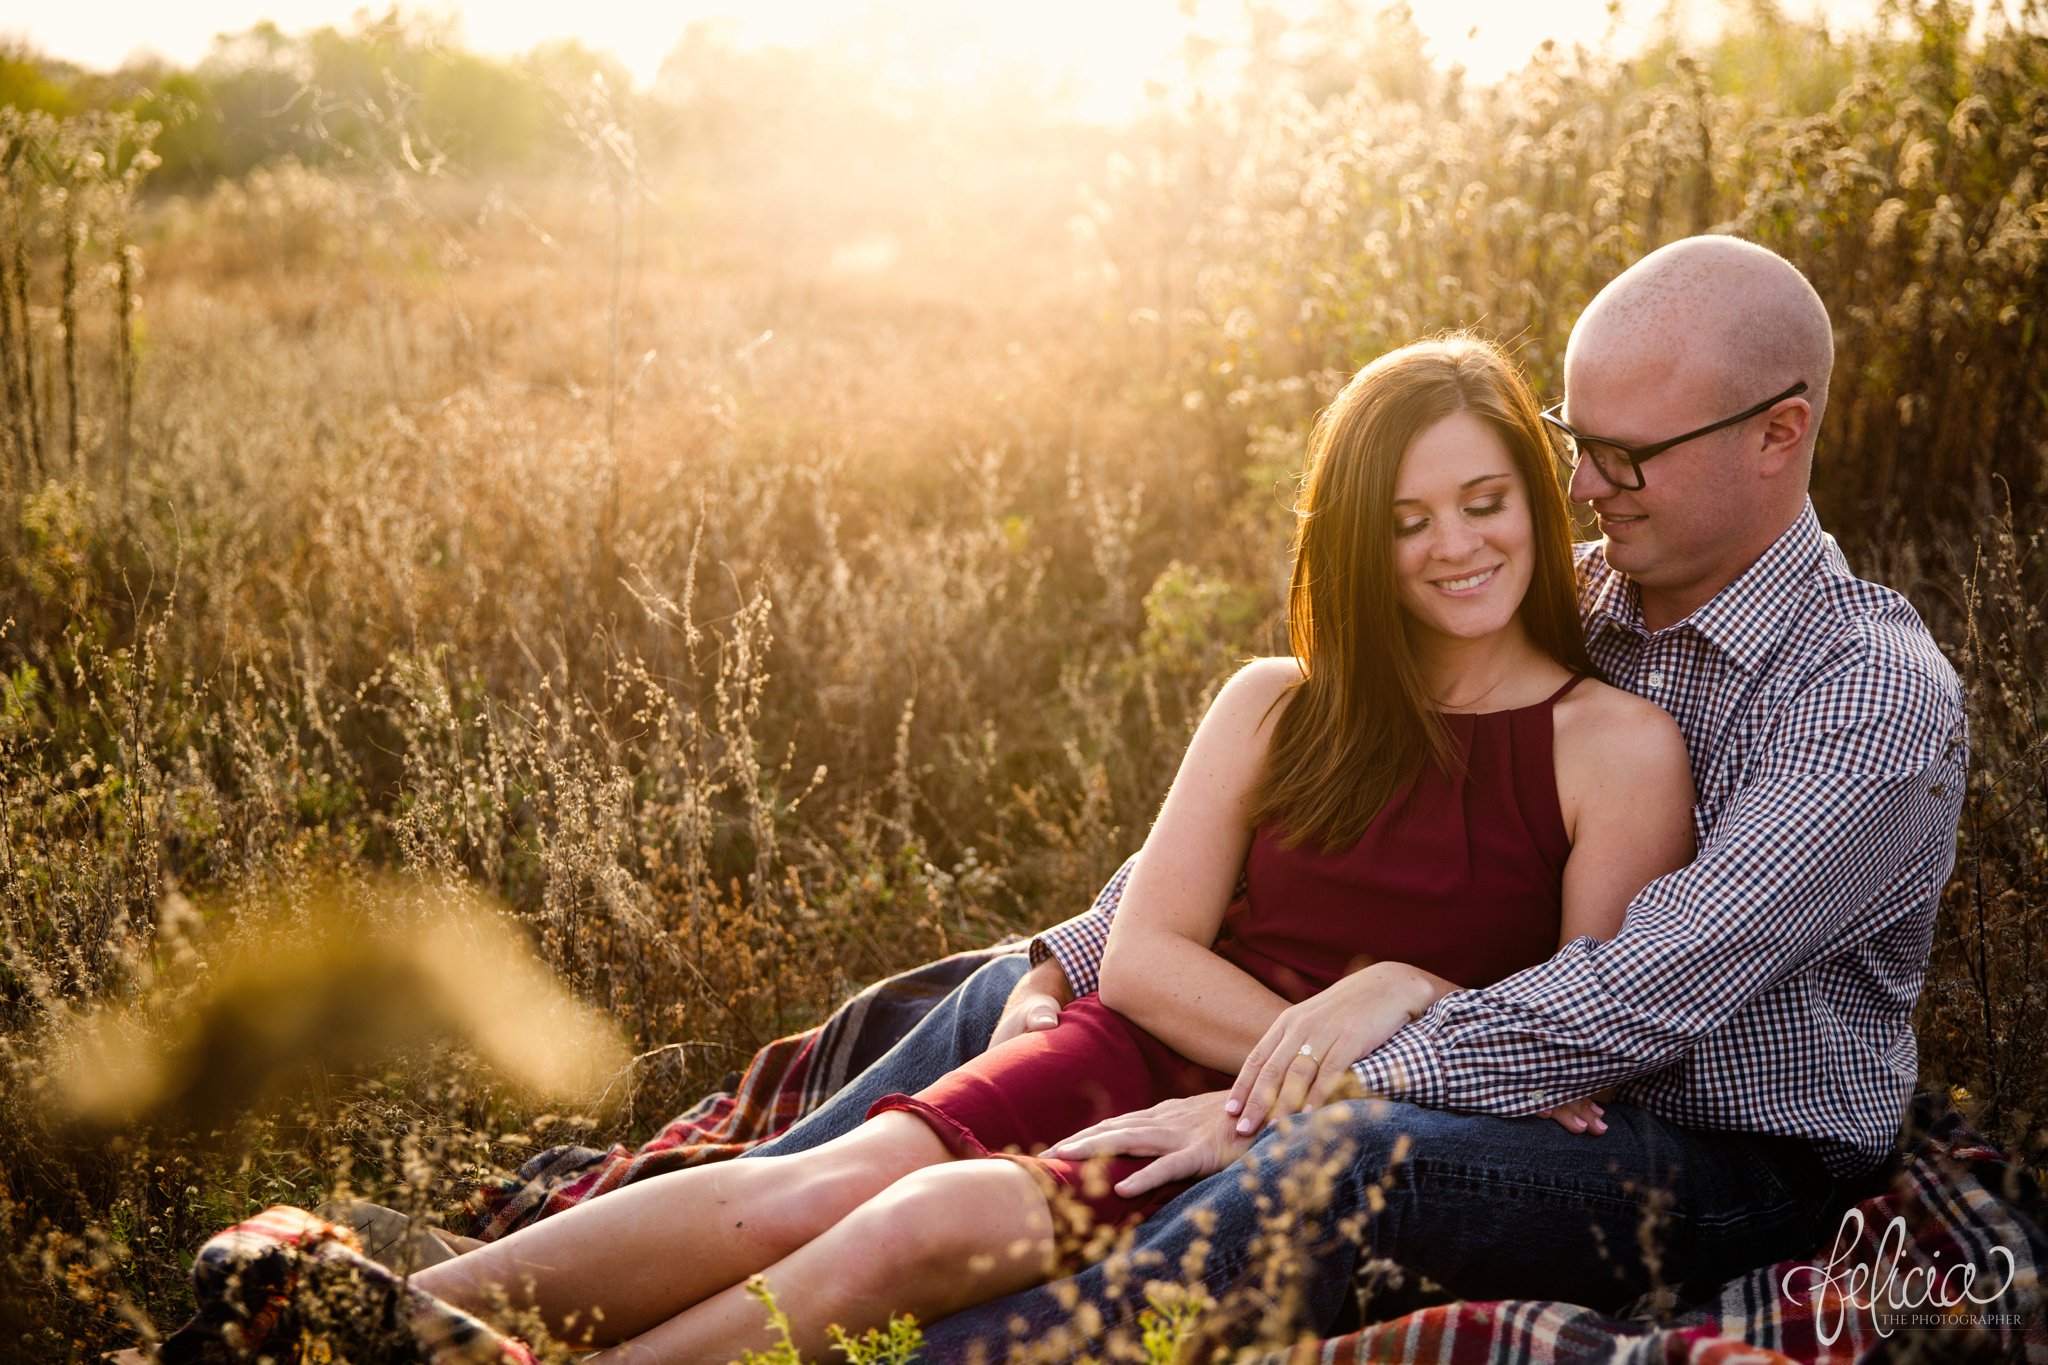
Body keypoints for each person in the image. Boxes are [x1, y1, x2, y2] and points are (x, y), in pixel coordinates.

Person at [374, 333, 1698, 1362]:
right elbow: (1145, 960)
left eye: (1484, 501)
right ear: (1358, 537)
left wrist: (1374, 1020)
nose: (1457, 544)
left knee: (923, 1222)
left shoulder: (1616, 747)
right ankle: (370, 1312)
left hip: (1289, 1138)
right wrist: (1322, 1029)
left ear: (1534, 494)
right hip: (1140, 1056)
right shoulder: (1277, 701)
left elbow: (1572, 1056)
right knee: (815, 1183)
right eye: (1409, 520)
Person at [890, 233, 1968, 1359]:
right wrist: (1077, 948)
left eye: (1623, 454)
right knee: (988, 995)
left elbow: (1634, 998)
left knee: (1340, 1158)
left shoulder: (1866, 702)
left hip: (1710, 1161)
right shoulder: (1580, 586)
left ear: (1775, 434)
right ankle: (748, 1227)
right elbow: (1314, 782)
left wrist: (1302, 1088)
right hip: (1502, 1073)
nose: (1580, 486)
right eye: (1570, 439)